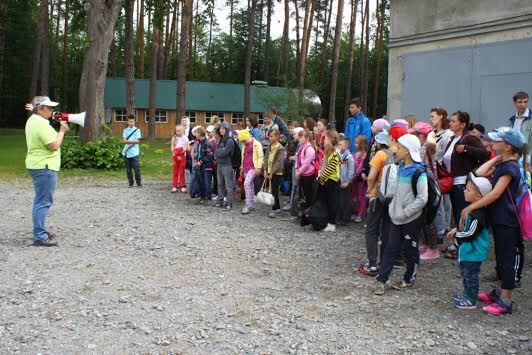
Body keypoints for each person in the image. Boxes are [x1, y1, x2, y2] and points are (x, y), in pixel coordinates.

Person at [461, 127, 526, 315]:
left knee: (507, 257)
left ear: (507, 146)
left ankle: (506, 300)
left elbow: (496, 193)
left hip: (508, 222)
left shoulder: (511, 168)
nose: (492, 142)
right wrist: (498, 157)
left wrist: (471, 207)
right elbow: (478, 173)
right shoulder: (503, 163)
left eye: (497, 140)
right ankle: (498, 291)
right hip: (499, 220)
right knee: (500, 256)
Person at [374, 134, 428, 295]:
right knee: (390, 248)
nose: (396, 150)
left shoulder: (419, 172)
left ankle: (409, 279)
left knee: (410, 250)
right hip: (397, 217)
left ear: (407, 150)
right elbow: (396, 193)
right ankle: (381, 280)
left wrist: (405, 212)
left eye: (399, 148)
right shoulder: (401, 168)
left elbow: (422, 198)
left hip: (411, 219)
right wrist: (393, 209)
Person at [358, 125, 407, 276]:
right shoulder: (404, 156)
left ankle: (372, 264)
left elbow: (371, 176)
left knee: (371, 230)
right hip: (395, 198)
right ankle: (386, 262)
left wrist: (369, 190)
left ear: (391, 138)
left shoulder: (381, 154)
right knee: (388, 230)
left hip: (377, 197)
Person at [442, 111, 489, 257]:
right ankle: (458, 243)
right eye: (450, 121)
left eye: (454, 121)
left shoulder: (468, 138)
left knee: (464, 213)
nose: (450, 123)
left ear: (463, 124)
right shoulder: (452, 139)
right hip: (454, 182)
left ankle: (463, 246)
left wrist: (466, 148)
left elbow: (485, 153)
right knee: (458, 213)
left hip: (464, 181)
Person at [25, 96, 69, 247]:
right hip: (44, 166)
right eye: (49, 107)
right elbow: (54, 145)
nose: (52, 110)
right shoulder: (41, 125)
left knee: (41, 200)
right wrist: (62, 130)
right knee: (43, 202)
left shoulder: (34, 120)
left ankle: (40, 231)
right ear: (40, 109)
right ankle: (39, 235)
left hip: (37, 164)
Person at [447, 173, 492, 309]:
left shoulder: (478, 215)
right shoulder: (471, 212)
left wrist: (458, 235)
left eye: (468, 189)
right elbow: (466, 228)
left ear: (478, 196)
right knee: (466, 274)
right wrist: (456, 229)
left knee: (471, 276)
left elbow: (471, 233)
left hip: (474, 253)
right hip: (467, 252)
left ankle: (471, 300)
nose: (464, 191)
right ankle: (467, 294)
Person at [409, 121, 441, 260]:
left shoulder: (428, 147)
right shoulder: (421, 147)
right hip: (423, 184)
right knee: (423, 217)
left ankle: (433, 248)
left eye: (416, 134)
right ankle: (427, 244)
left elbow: (431, 144)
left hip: (430, 186)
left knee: (429, 219)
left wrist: (430, 133)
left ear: (421, 136)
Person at [427, 107, 453, 244]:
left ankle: (443, 231)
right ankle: (438, 229)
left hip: (443, 173)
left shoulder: (448, 135)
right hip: (432, 172)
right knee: (436, 202)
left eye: (433, 116)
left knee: (444, 203)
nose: (430, 119)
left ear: (441, 116)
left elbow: (447, 156)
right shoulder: (432, 133)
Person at [317, 130, 342, 232]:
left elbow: (330, 168)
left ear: (331, 139)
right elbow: (322, 163)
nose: (323, 140)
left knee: (332, 203)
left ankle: (332, 224)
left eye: (325, 138)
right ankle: (325, 220)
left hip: (332, 181)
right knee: (326, 202)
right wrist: (319, 173)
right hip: (325, 180)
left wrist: (321, 178)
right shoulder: (327, 151)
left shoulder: (336, 152)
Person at [238, 129, 264, 214]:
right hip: (246, 167)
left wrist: (259, 167)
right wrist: (241, 167)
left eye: (244, 140)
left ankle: (248, 204)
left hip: (253, 167)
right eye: (242, 141)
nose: (244, 142)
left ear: (248, 137)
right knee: (250, 185)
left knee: (246, 183)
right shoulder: (244, 145)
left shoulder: (257, 144)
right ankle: (251, 204)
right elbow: (243, 156)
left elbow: (260, 156)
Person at [263, 129, 286, 218]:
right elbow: (265, 158)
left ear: (277, 137)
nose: (270, 138)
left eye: (272, 136)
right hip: (268, 171)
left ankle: (276, 209)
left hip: (277, 173)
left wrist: (272, 172)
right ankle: (275, 208)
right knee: (272, 190)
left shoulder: (280, 148)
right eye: (269, 136)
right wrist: (265, 170)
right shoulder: (269, 146)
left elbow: (279, 162)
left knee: (274, 191)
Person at [213, 121, 235, 210]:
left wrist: (219, 152)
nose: (221, 130)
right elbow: (216, 153)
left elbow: (224, 153)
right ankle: (220, 201)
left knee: (228, 185)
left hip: (227, 165)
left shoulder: (230, 141)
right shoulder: (220, 140)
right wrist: (219, 152)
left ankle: (229, 203)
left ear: (227, 129)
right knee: (220, 184)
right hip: (219, 165)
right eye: (220, 129)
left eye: (223, 129)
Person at [296, 129, 317, 210]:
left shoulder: (310, 149)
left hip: (309, 174)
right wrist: (297, 169)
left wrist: (299, 172)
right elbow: (298, 159)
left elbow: (306, 164)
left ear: (307, 138)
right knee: (304, 192)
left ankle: (310, 210)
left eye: (301, 137)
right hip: (302, 174)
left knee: (309, 193)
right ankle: (307, 210)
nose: (299, 139)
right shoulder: (302, 147)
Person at [284, 127, 304, 212]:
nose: (293, 135)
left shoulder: (301, 145)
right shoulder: (298, 144)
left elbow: (300, 157)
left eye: (295, 134)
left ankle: (292, 204)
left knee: (295, 186)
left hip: (298, 168)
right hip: (296, 167)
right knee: (294, 185)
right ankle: (292, 202)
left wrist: (293, 157)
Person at [337, 137, 355, 225]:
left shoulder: (349, 157)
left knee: (346, 201)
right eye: (338, 144)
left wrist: (347, 182)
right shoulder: (338, 154)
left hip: (346, 183)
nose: (338, 146)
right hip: (339, 181)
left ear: (346, 146)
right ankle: (339, 217)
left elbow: (351, 171)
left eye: (341, 144)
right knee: (339, 200)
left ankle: (346, 218)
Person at [194, 127, 214, 201]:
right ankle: (203, 196)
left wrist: (201, 161)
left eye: (196, 132)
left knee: (207, 182)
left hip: (207, 166)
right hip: (201, 166)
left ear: (199, 134)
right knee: (201, 181)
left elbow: (209, 155)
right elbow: (199, 153)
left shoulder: (206, 143)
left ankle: (208, 197)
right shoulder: (199, 142)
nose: (195, 134)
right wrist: (196, 159)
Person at [352, 135, 369, 223]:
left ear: (362, 144)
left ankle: (361, 214)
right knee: (355, 196)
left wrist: (354, 176)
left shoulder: (364, 155)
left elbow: (359, 168)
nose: (355, 144)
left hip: (360, 179)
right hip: (354, 179)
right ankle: (356, 211)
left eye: (357, 143)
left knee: (361, 197)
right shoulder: (355, 154)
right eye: (355, 142)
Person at [122, 114, 142, 188]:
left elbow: (138, 141)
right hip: (127, 153)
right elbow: (124, 141)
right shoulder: (125, 130)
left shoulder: (137, 130)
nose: (131, 123)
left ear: (134, 122)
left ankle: (139, 183)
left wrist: (129, 142)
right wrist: (133, 141)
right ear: (127, 122)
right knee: (128, 170)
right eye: (130, 121)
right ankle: (131, 183)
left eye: (132, 121)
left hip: (135, 153)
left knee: (136, 169)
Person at [171, 125, 189, 193]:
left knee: (182, 172)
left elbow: (186, 148)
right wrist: (176, 154)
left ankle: (182, 186)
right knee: (175, 172)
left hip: (182, 156)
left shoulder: (185, 138)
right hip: (175, 156)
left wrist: (180, 154)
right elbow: (172, 147)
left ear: (183, 131)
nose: (178, 132)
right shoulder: (174, 138)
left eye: (179, 131)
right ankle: (174, 185)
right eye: (177, 131)